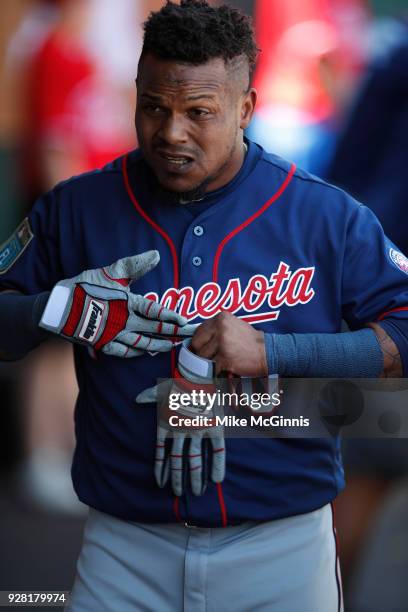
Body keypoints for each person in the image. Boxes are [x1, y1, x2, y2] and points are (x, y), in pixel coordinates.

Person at [0, 1, 407, 610]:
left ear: (245, 108)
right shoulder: (76, 208)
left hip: (283, 545)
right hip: (122, 545)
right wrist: (56, 310)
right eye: (154, 107)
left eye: (199, 113)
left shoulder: (325, 215)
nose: (171, 133)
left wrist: (274, 351)